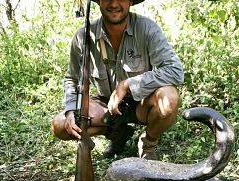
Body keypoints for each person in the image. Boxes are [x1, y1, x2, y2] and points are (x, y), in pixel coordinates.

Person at [51, 0, 184, 160]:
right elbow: (72, 78)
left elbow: (174, 70)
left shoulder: (147, 28)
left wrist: (127, 85)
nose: (114, 4)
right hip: (105, 106)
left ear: (130, 1)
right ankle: (117, 134)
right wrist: (72, 110)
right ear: (99, 1)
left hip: (142, 103)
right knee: (60, 125)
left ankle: (148, 142)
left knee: (169, 98)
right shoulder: (83, 36)